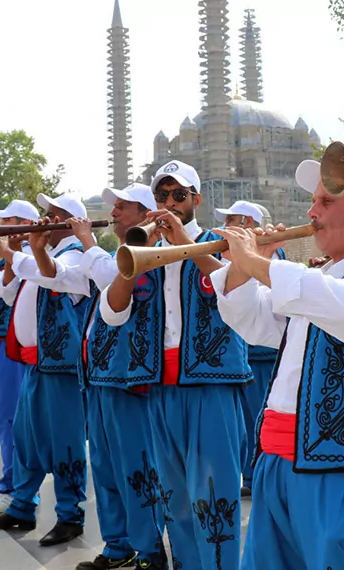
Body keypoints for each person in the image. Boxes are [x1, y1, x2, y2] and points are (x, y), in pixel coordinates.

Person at [211, 159, 344, 570]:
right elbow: (254, 322)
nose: (312, 213)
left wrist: (258, 263)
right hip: (276, 459)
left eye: (326, 202)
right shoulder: (319, 279)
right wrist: (246, 266)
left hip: (343, 469)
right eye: (314, 202)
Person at [99, 160, 251, 570]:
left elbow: (236, 293)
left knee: (215, 496)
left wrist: (183, 240)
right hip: (159, 390)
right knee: (175, 498)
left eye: (178, 195)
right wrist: (130, 261)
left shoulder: (223, 242)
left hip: (210, 387)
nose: (169, 202)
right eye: (162, 196)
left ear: (195, 200)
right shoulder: (142, 249)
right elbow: (112, 313)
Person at [0, 194, 92, 547]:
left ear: (68, 221)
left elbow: (49, 276)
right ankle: (23, 505)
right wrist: (8, 256)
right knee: (27, 439)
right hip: (34, 362)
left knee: (66, 443)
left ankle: (70, 514)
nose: (43, 220)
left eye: (51, 215)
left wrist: (15, 252)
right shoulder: (48, 254)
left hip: (60, 368)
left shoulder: (74, 256)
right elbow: (9, 293)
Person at [70, 183, 168, 570]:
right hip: (101, 377)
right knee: (106, 468)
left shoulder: (150, 253)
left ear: (146, 214)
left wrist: (86, 242)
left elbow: (111, 277)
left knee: (136, 469)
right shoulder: (113, 254)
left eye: (122, 208)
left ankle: (148, 550)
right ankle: (117, 545)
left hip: (131, 379)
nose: (113, 214)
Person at [215, 199, 286, 498]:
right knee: (246, 420)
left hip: (264, 353)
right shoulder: (241, 253)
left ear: (247, 223)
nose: (226, 226)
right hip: (249, 349)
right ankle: (250, 474)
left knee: (259, 415)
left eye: (232, 220)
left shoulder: (271, 253)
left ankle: (259, 474)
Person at [0, 199, 41, 514]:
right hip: (0, 345)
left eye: (8, 222)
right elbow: (1, 290)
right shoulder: (15, 259)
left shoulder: (30, 258)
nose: (1, 228)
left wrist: (0, 256)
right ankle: (11, 482)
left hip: (13, 347)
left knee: (11, 419)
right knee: (4, 418)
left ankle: (15, 487)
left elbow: (5, 292)